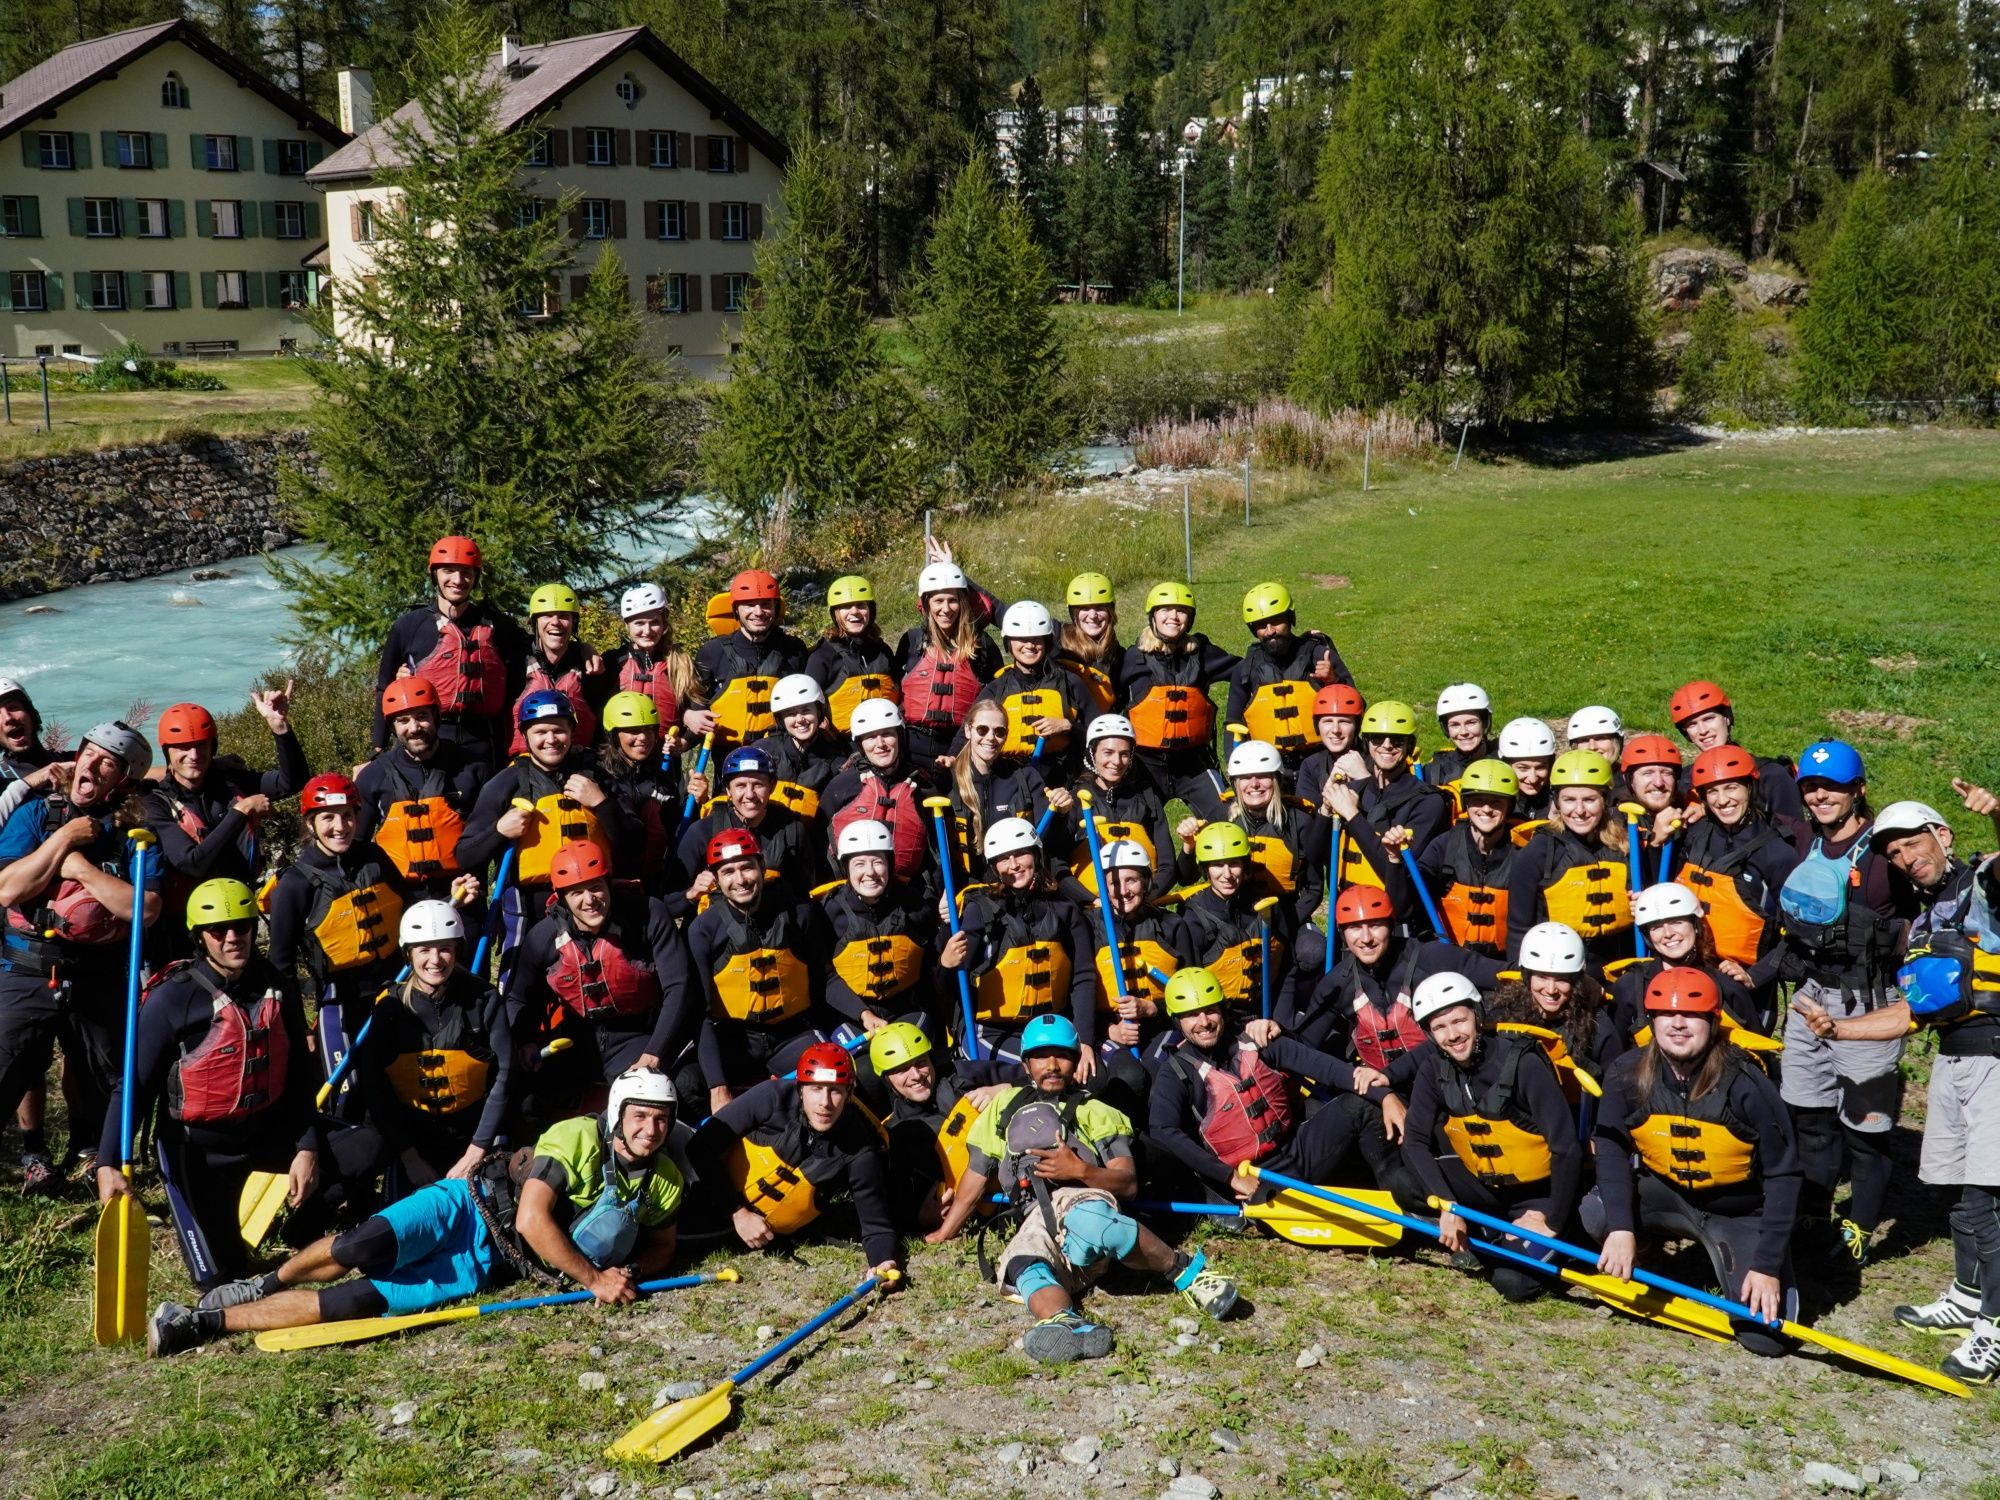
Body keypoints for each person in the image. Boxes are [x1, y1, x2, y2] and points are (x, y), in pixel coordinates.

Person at [146, 1067, 684, 1355]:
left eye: (661, 1120)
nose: (650, 1130)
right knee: (360, 1247)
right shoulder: (575, 1137)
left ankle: (203, 1323)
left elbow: (662, 1245)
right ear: (617, 1113)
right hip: (468, 1207)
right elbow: (532, 1220)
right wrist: (594, 1279)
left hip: (487, 1265)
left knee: (354, 1301)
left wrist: (632, 1272)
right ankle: (263, 1284)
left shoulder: (664, 1182)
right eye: (640, 1116)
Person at [1799, 787, 2000, 1383]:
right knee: (1961, 1193)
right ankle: (1967, 1294)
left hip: (1996, 1057)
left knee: (1991, 1198)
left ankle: (1994, 1323)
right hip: (1954, 1059)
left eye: (1914, 844)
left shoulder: (1986, 886)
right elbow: (1909, 1015)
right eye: (1896, 853)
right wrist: (1839, 1027)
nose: (1908, 858)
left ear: (1944, 836)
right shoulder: (1922, 923)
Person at [96, 879, 375, 1292]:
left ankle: (304, 1226)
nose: (232, 938)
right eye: (218, 930)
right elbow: (133, 1087)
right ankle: (222, 1245)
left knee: (369, 1145)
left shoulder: (276, 983)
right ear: (198, 936)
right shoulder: (172, 999)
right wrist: (107, 1161)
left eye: (241, 927)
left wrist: (307, 1148)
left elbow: (299, 1073)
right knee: (224, 1284)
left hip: (266, 1131)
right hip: (198, 1152)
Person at [926, 1013, 1239, 1364]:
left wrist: (1079, 1169)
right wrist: (945, 1231)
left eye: (1062, 1055)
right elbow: (976, 1175)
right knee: (1020, 1264)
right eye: (1042, 1056)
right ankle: (1065, 1322)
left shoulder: (1097, 1111)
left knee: (1091, 1222)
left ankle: (1188, 1272)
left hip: (1084, 1197)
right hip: (1033, 1214)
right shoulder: (1002, 1107)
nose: (1052, 1065)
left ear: (1076, 1061)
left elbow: (1128, 1183)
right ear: (1027, 1064)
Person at [1747, 740, 1910, 1265]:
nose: (1821, 796)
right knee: (1809, 1117)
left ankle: (1860, 1227)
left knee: (1864, 1129)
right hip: (1809, 999)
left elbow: (1934, 900)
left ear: (1858, 790)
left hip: (1869, 1002)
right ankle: (1815, 1213)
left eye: (1833, 787)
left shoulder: (1886, 853)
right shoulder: (1802, 842)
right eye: (1812, 788)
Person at [1584, 967, 1802, 1357]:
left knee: (1764, 1336)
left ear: (1714, 1021)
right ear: (1651, 1021)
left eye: (1692, 1015)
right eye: (1667, 1014)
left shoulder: (1748, 1084)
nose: (1679, 1024)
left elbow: (1785, 1175)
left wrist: (1767, 1265)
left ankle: (1758, 1261)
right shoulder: (1627, 1073)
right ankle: (1644, 1248)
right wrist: (1620, 1226)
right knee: (1596, 1212)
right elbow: (1612, 1149)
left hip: (1737, 1209)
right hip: (1665, 1195)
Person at [0, 722, 161, 1174]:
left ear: (121, 779)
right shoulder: (36, 815)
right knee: (8, 1066)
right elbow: (7, 890)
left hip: (97, 973)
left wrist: (83, 872)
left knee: (103, 1075)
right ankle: (33, 1155)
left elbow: (145, 907)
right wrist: (64, 841)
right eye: (90, 752)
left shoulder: (133, 833)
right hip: (27, 968)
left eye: (107, 762)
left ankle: (92, 1153)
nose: (92, 763)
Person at [1402, 971, 1583, 1301]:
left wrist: (1553, 1220)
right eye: (1439, 1028)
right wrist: (1448, 1206)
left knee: (1512, 1283)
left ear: (1477, 1015)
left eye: (1459, 1021)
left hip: (1539, 1195)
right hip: (1485, 1186)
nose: (1453, 1035)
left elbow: (1567, 1148)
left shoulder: (1524, 1064)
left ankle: (1557, 1239)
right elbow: (1414, 1141)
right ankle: (1484, 1229)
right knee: (1404, 1181)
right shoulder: (1433, 1069)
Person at [1148, 967, 1391, 1207]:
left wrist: (1386, 1096)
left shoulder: (1256, 1040)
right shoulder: (1176, 1072)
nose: (1204, 1022)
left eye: (1210, 1010)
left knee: (1362, 1105)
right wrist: (1229, 1177)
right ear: (1177, 1021)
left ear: (1222, 1010)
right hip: (1253, 1177)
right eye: (1191, 1015)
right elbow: (1162, 1130)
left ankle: (1393, 1190)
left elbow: (1326, 1068)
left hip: (1298, 1148)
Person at [506, 843, 689, 1125]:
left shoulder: (649, 916)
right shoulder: (542, 937)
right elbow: (518, 998)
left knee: (669, 1093)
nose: (589, 900)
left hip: (637, 1035)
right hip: (575, 1040)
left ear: (609, 884)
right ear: (561, 897)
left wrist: (655, 1052)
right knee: (525, 1102)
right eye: (576, 892)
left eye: (596, 887)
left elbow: (678, 987)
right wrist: (525, 1041)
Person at [687, 1041, 900, 1281]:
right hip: (710, 1195)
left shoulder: (860, 1149)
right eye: (816, 1089)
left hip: (771, 1235)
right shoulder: (771, 1097)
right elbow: (699, 1147)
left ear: (849, 1094)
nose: (825, 1103)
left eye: (835, 1091)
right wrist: (738, 1213)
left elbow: (876, 1226)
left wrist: (883, 1262)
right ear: (800, 1089)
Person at [458, 690, 624, 968]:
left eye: (559, 730)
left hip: (591, 901)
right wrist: (499, 831)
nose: (551, 740)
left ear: (572, 731)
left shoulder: (597, 776)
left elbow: (632, 841)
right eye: (541, 732)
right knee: (521, 991)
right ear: (525, 735)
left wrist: (602, 803)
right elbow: (465, 855)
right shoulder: (506, 783)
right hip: (530, 908)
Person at [361, 900, 512, 1191]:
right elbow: (374, 1086)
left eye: (444, 948)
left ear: (457, 950)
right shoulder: (389, 1007)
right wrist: (409, 1157)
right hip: (413, 1139)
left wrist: (477, 1149)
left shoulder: (484, 1000)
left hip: (473, 1134)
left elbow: (505, 1075)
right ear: (409, 954)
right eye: (424, 950)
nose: (435, 959)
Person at [267, 773, 420, 1054]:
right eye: (328, 818)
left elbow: (412, 910)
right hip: (341, 1005)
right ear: (310, 823)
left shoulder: (374, 857)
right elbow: (281, 965)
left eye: (347, 815)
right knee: (351, 1095)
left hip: (396, 987)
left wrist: (451, 899)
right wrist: (299, 1027)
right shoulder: (295, 883)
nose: (340, 827)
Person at [142, 690, 307, 944]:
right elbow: (192, 863)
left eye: (201, 746)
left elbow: (291, 782)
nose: (194, 756)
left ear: (213, 747)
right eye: (183, 748)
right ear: (167, 752)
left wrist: (280, 727)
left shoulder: (230, 783)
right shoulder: (157, 803)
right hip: (186, 930)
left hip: (239, 917)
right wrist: (241, 812)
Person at [686, 830, 831, 1111]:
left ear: (762, 867)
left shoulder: (800, 914)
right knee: (686, 1084)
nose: (740, 880)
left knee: (834, 1078)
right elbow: (699, 1014)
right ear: (716, 878)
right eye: (728, 872)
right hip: (735, 1039)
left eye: (747, 868)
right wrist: (717, 1088)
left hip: (791, 1034)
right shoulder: (703, 929)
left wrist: (865, 1015)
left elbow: (825, 979)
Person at [943, 817, 1096, 1066]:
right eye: (1004, 858)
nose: (1013, 865)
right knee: (1049, 1071)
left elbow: (1083, 976)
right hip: (991, 1030)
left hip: (1049, 1029)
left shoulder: (1064, 908)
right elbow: (949, 986)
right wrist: (946, 964)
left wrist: (1085, 1040)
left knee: (1089, 1077)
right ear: (994, 867)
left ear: (1036, 855)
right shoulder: (979, 911)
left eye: (1021, 854)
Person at [1670, 744, 1801, 1023]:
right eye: (1712, 791)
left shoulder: (1778, 853)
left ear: (1750, 789)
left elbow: (1798, 931)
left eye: (1731, 788)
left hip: (1744, 988)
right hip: (1687, 974)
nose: (1722, 800)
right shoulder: (1695, 835)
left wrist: (1756, 975)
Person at [373, 535, 531, 764]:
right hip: (430, 744)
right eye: (448, 571)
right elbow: (384, 689)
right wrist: (377, 748)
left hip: (488, 747)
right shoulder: (408, 626)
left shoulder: (499, 626)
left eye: (466, 572)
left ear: (475, 578)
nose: (458, 580)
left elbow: (540, 650)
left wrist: (583, 649)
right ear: (434, 575)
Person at [1505, 750, 1633, 971]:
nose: (1580, 811)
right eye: (1569, 800)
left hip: (1619, 968)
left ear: (1605, 799)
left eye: (1590, 800)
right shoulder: (1538, 852)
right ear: (1557, 802)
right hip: (1557, 972)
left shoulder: (1627, 847)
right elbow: (1518, 929)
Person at [358, 678, 485, 896]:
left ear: (436, 717)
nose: (414, 728)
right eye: (403, 721)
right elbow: (356, 846)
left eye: (422, 716)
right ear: (392, 726)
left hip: (463, 894)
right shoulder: (373, 776)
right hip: (400, 899)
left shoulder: (473, 768)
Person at [865, 1021, 996, 1233]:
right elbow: (889, 1205)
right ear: (886, 1079)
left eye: (921, 1063)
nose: (916, 1075)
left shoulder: (962, 1076)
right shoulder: (894, 1134)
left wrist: (1000, 1090)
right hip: (978, 1207)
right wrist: (920, 1217)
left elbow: (1029, 1077)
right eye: (902, 1070)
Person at [1119, 582, 1237, 813]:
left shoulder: (1202, 654)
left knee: (1230, 823)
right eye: (1165, 610)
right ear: (1152, 616)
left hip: (1194, 762)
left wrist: (1305, 648)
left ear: (1190, 618)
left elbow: (1246, 671)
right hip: (1144, 764)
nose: (1173, 617)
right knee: (1140, 834)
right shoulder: (1132, 659)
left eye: (1181, 611)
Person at [817, 819, 939, 1041]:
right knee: (865, 1071)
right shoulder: (829, 911)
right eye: (859, 864)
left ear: (889, 864)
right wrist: (863, 1013)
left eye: (877, 862)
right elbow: (824, 977)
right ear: (845, 868)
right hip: (852, 1016)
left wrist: (947, 921)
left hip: (905, 1011)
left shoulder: (914, 903)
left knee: (904, 1056)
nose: (870, 872)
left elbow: (935, 958)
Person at [1196, 739, 1332, 935]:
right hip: (1235, 913)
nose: (1254, 784)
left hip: (1287, 914)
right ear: (1235, 783)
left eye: (1262, 776)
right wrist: (1188, 847)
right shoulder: (1221, 818)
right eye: (1246, 777)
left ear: (1276, 779)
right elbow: (1188, 875)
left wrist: (1283, 928)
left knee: (1312, 953)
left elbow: (1314, 889)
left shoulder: (1300, 822)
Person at [1226, 582, 1352, 785]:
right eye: (1260, 625)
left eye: (1276, 621)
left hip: (1320, 762)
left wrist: (1333, 681)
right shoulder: (1245, 669)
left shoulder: (1319, 656)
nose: (1269, 631)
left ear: (1290, 618)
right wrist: (1237, 772)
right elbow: (1232, 725)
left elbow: (1357, 707)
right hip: (1269, 768)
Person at [1087, 840, 1199, 1066]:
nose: (1123, 891)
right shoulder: (1087, 929)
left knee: (1156, 1068)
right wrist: (1110, 1030)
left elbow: (1193, 992)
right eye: (1113, 883)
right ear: (1102, 886)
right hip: (1110, 1029)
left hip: (1163, 1022)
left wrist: (1152, 1009)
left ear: (1146, 882)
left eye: (1132, 880)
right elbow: (1077, 996)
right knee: (1128, 1078)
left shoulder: (1171, 925)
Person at [1607, 884, 1764, 1041]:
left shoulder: (1727, 986)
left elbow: (1757, 1048)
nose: (1668, 933)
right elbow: (1615, 1056)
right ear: (1648, 936)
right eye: (1656, 927)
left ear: (1696, 925)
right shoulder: (1630, 987)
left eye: (1677, 922)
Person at [674, 745, 825, 904]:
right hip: (720, 923)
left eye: (758, 784)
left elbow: (807, 896)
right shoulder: (703, 831)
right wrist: (691, 893)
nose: (750, 794)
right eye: (740, 786)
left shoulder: (793, 831)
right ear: (728, 789)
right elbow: (670, 902)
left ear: (772, 786)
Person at [1176, 823, 1297, 1021]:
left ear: (1246, 866)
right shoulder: (1193, 919)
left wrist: (1279, 1022)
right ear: (1205, 869)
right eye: (1217, 865)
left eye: (1234, 864)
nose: (1227, 875)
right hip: (1221, 1020)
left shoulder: (1268, 907)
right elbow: (1191, 992)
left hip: (1269, 1012)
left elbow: (1288, 967)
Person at [1331, 701, 1453, 897]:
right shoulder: (1355, 790)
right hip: (1348, 913)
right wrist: (1323, 811)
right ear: (1367, 743)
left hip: (1395, 917)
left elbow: (1395, 873)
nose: (1387, 746)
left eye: (1397, 740)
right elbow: (1314, 857)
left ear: (1410, 745)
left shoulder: (1429, 803)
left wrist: (1353, 816)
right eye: (1378, 739)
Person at [1488, 921, 1624, 1089]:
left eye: (1562, 979)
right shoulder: (1501, 1014)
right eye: (1542, 977)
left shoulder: (1598, 1025)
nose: (1551, 990)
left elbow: (1618, 1085)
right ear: (1526, 977)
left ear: (1576, 981)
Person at [896, 560, 1004, 766]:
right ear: (926, 603)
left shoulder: (982, 645)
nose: (946, 609)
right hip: (911, 748)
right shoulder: (911, 641)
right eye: (938, 601)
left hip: (961, 747)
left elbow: (997, 697)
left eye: (952, 601)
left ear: (962, 602)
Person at [942, 699, 1063, 883]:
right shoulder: (946, 780)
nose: (990, 738)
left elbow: (1048, 837)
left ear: (1006, 736)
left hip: (1015, 882)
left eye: (999, 732)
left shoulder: (1025, 777)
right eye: (982, 730)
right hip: (967, 888)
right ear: (968, 730)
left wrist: (1062, 810)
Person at [687, 569, 810, 751]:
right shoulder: (712, 652)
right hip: (729, 758)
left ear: (776, 608)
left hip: (782, 754)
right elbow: (696, 706)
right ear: (736, 609)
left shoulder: (794, 649)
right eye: (749, 605)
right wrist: (687, 718)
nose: (758, 612)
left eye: (766, 604)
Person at [969, 601, 1094, 778]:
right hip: (1009, 779)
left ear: (1047, 642)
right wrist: (952, 757)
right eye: (1021, 639)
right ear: (1008, 643)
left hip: (1061, 779)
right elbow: (967, 733)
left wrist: (1069, 727)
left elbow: (1101, 733)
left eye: (1036, 639)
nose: (1029, 645)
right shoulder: (996, 689)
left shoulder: (1070, 683)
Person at [1060, 714, 1175, 905]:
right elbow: (1058, 866)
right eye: (1108, 752)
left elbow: (1167, 865)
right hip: (1092, 910)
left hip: (1140, 904)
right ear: (1092, 754)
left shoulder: (1146, 798)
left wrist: (1144, 899)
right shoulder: (1074, 800)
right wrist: (1093, 901)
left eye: (1124, 754)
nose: (1117, 761)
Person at [822, 700, 938, 888]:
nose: (880, 744)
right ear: (860, 744)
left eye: (887, 734)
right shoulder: (841, 786)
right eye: (870, 737)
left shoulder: (924, 788)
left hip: (910, 893)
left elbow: (938, 855)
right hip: (851, 892)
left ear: (900, 737)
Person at [1418, 759, 1522, 956]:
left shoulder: (1523, 852)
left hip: (1502, 962)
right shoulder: (1444, 846)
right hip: (1450, 957)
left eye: (1496, 802)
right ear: (1466, 803)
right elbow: (1407, 904)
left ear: (1510, 806)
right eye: (1478, 800)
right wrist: (1395, 860)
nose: (1486, 809)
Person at [1667, 679, 1804, 823]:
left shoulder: (1771, 775)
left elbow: (1795, 836)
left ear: (1726, 718)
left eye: (1709, 719)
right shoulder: (1684, 781)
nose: (1703, 731)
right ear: (1686, 733)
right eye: (1692, 724)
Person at [506, 584, 603, 756]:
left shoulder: (589, 669)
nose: (555, 622)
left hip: (577, 763)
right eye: (547, 616)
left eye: (564, 616)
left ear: (574, 623)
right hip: (524, 765)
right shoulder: (515, 661)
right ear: (535, 623)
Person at [594, 690, 680, 881]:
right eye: (633, 731)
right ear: (614, 735)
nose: (643, 737)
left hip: (653, 880)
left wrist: (699, 802)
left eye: (649, 729)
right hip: (609, 883)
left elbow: (676, 830)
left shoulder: (662, 781)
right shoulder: (599, 778)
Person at [805, 576, 900, 737]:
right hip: (841, 746)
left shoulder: (883, 651)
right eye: (846, 607)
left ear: (871, 610)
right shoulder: (823, 656)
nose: (854, 612)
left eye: (861, 606)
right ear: (835, 613)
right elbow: (807, 705)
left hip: (882, 743)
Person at [603, 582, 695, 736]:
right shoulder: (612, 662)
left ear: (664, 622)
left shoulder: (680, 662)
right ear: (627, 625)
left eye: (654, 623)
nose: (647, 631)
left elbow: (698, 713)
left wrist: (685, 742)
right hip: (618, 757)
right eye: (639, 623)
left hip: (666, 756)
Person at [751, 674, 845, 821]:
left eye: (806, 710)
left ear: (819, 711)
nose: (800, 720)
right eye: (791, 713)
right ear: (780, 719)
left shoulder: (836, 762)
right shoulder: (762, 752)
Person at [1295, 683, 1369, 812]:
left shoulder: (1374, 760)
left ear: (1357, 726)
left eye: (1344, 721)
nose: (1335, 730)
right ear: (1317, 726)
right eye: (1328, 721)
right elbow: (1307, 822)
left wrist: (1365, 779)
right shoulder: (1311, 766)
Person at [1056, 572, 1121, 713]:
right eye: (1084, 608)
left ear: (1110, 611)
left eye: (1099, 608)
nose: (1092, 616)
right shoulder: (1057, 638)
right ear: (1073, 613)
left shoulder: (1121, 656)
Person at [1426, 683, 1496, 791]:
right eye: (1455, 725)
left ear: (1485, 723)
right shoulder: (1436, 770)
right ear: (1445, 729)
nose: (1463, 732)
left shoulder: (1506, 759)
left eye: (1471, 723)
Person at [1496, 718, 1558, 823]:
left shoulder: (1561, 803)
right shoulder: (1493, 804)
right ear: (1506, 766)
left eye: (1540, 767)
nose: (1533, 779)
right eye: (1523, 768)